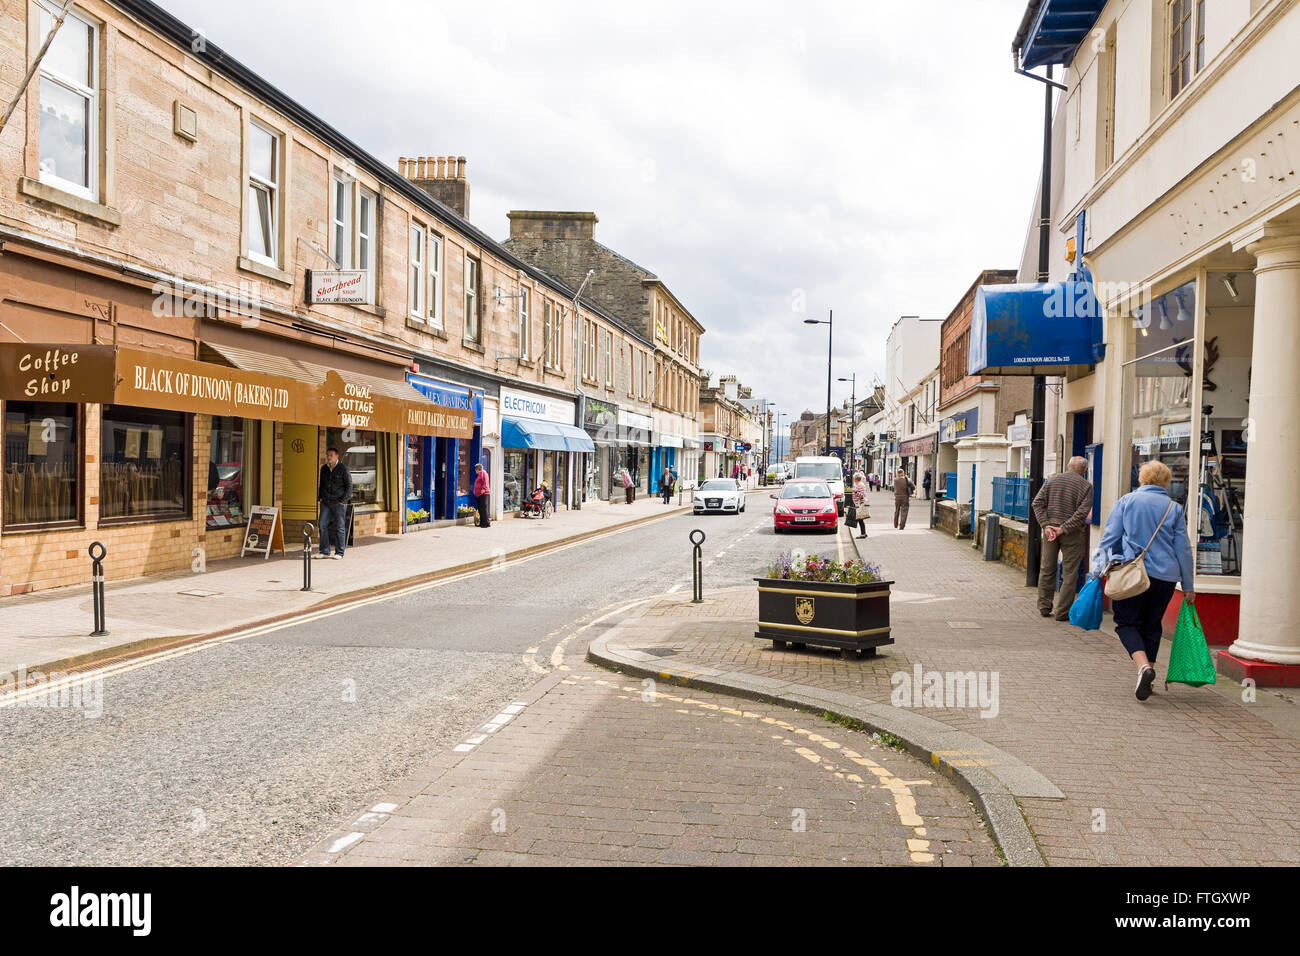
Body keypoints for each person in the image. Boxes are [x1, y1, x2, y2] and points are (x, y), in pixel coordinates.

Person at [1098, 460, 1195, 701]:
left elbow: (1110, 538)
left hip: (1134, 575)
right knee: (1152, 624)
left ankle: (1144, 668)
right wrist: (1189, 585)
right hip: (1165, 577)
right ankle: (1147, 679)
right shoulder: (1174, 508)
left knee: (1126, 623)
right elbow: (1183, 549)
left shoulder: (1128, 501)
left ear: (1142, 478)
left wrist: (1098, 567)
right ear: (1165, 481)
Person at [1031, 456, 1094, 620]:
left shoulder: (1053, 480)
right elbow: (1081, 513)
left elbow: (1037, 503)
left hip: (1050, 531)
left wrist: (1046, 525)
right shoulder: (1086, 486)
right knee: (1070, 573)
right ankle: (1062, 612)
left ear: (1068, 466)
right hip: (1071, 533)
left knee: (1047, 569)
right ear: (1084, 470)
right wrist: (1064, 529)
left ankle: (1044, 607)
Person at [316, 446, 352, 560]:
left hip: (338, 503)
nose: (329, 457)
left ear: (337, 456)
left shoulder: (343, 469)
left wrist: (343, 501)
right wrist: (320, 497)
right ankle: (325, 551)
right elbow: (321, 484)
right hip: (325, 502)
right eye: (328, 455)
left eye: (331, 455)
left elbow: (349, 486)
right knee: (322, 524)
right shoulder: (324, 469)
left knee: (339, 527)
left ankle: (339, 552)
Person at [850, 472, 870, 538]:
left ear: (856, 479)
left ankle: (863, 534)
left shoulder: (860, 485)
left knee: (860, 519)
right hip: (857, 504)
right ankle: (863, 533)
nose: (853, 479)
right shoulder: (858, 484)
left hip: (860, 504)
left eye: (854, 478)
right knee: (860, 519)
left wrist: (855, 491)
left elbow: (862, 495)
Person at [473, 462, 491, 528]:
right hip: (479, 494)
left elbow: (485, 481)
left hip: (483, 493)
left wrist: (483, 489)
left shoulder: (483, 473)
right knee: (480, 509)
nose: (475, 471)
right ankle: (482, 523)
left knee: (483, 509)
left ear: (478, 469)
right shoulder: (480, 474)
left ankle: (486, 523)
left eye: (475, 469)